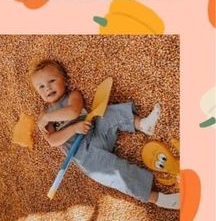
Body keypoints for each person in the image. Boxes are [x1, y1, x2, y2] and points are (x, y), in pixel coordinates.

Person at [30, 59, 177, 209]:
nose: (47, 88)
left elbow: (73, 112)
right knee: (117, 174)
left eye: (52, 81)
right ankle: (160, 199)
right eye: (41, 87)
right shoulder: (45, 113)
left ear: (65, 80)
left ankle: (143, 124)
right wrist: (73, 129)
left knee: (106, 112)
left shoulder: (72, 96)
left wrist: (48, 118)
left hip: (97, 132)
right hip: (86, 156)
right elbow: (53, 141)